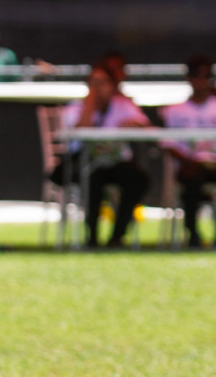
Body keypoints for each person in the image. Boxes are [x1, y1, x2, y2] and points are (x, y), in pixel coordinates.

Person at [53, 62, 151, 248]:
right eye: (93, 83)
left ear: (113, 86)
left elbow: (145, 125)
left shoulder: (123, 105)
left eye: (102, 83)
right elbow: (81, 130)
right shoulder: (75, 108)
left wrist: (130, 125)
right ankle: (92, 237)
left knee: (138, 179)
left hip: (117, 164)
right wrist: (90, 103)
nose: (98, 88)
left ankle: (117, 236)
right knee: (92, 179)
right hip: (87, 164)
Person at [163, 54, 216, 248]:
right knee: (191, 179)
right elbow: (169, 145)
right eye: (197, 76)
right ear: (189, 79)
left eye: (205, 77)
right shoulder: (175, 111)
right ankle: (193, 234)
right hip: (190, 164)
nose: (201, 81)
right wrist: (189, 161)